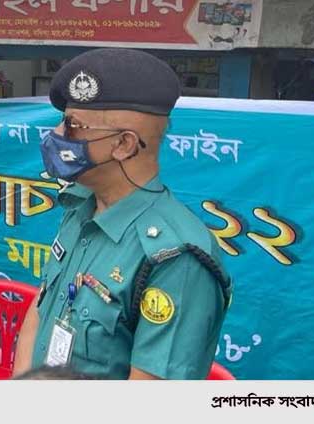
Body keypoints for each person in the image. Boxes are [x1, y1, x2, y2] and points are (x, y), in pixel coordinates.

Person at [13, 48, 232, 380]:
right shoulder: (79, 207)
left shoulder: (173, 257)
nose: (57, 135)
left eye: (72, 125)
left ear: (125, 145)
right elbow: (42, 309)